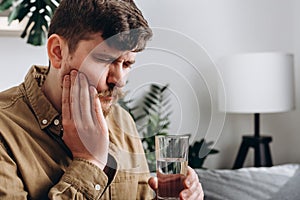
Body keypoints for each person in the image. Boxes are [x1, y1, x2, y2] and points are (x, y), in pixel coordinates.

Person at [0, 0, 204, 199]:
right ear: (58, 52)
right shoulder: (4, 131)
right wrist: (91, 161)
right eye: (105, 60)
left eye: (126, 65)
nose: (119, 80)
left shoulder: (122, 120)